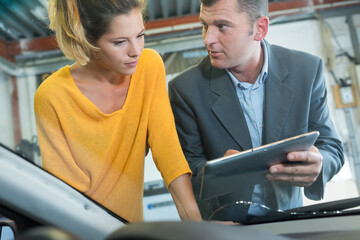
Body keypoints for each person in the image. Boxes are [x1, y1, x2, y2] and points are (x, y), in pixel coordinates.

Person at [168, 0, 344, 222]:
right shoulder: (185, 90)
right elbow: (187, 169)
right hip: (226, 227)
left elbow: (332, 148)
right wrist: (217, 172)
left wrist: (319, 164)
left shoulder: (306, 71)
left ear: (260, 28)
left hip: (289, 220)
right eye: (205, 25)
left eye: (222, 26)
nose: (208, 39)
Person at [34, 0, 202, 223]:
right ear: (87, 40)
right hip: (79, 230)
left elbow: (169, 154)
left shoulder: (149, 67)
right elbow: (65, 195)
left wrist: (198, 226)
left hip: (128, 231)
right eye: (120, 42)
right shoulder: (51, 97)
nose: (136, 51)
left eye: (140, 35)